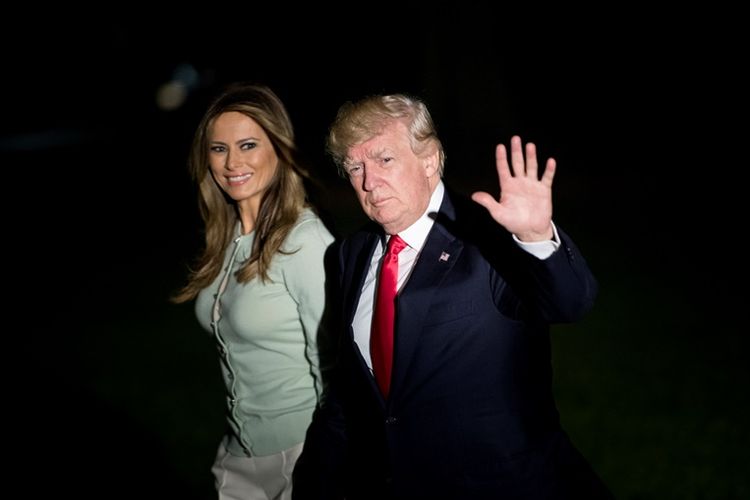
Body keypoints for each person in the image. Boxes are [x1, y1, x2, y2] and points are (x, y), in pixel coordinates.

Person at [292, 93, 613, 499]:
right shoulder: (351, 254)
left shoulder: (489, 237)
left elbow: (571, 302)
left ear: (429, 160)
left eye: (385, 159)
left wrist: (535, 237)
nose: (369, 182)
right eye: (356, 167)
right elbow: (353, 387)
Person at [171, 82, 334, 500]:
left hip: (302, 455)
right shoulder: (226, 239)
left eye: (248, 145)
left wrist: (330, 462)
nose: (232, 163)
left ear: (278, 148)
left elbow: (336, 367)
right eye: (219, 149)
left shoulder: (305, 242)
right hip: (238, 457)